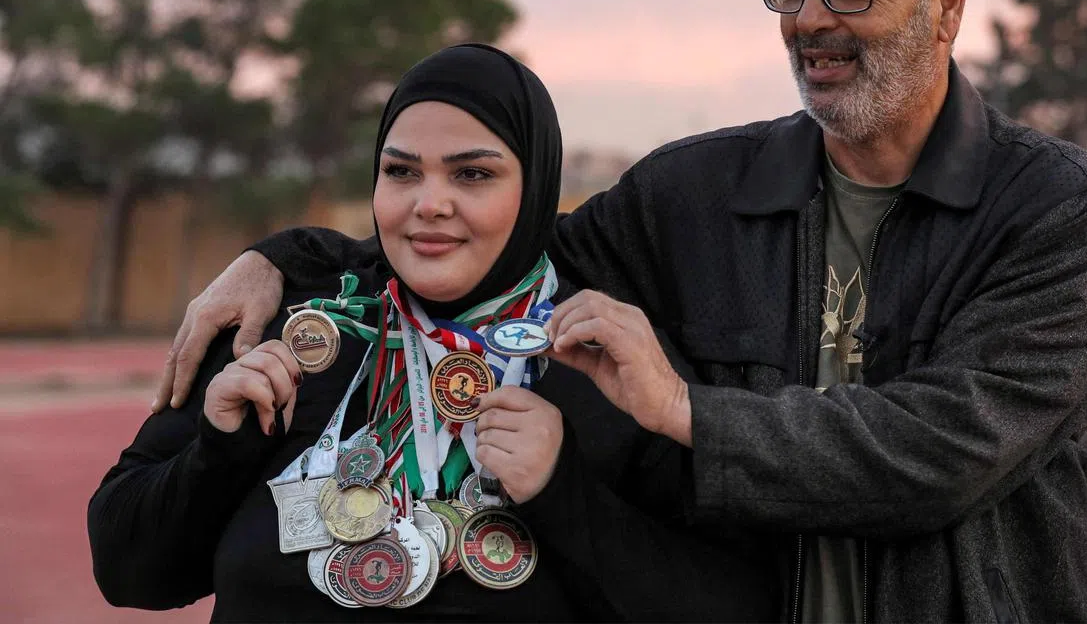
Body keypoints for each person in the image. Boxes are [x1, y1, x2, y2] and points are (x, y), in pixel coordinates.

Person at [153, 0, 1087, 623]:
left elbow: (940, 448)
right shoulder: (693, 192)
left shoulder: (1056, 208)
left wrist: (683, 411)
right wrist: (291, 259)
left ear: (947, 3)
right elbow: (494, 262)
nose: (810, 19)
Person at [89, 44, 777, 621]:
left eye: (473, 174)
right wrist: (218, 454)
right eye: (401, 171)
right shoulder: (287, 327)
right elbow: (127, 572)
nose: (429, 204)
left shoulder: (609, 364)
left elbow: (736, 604)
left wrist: (565, 495)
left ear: (534, 188)